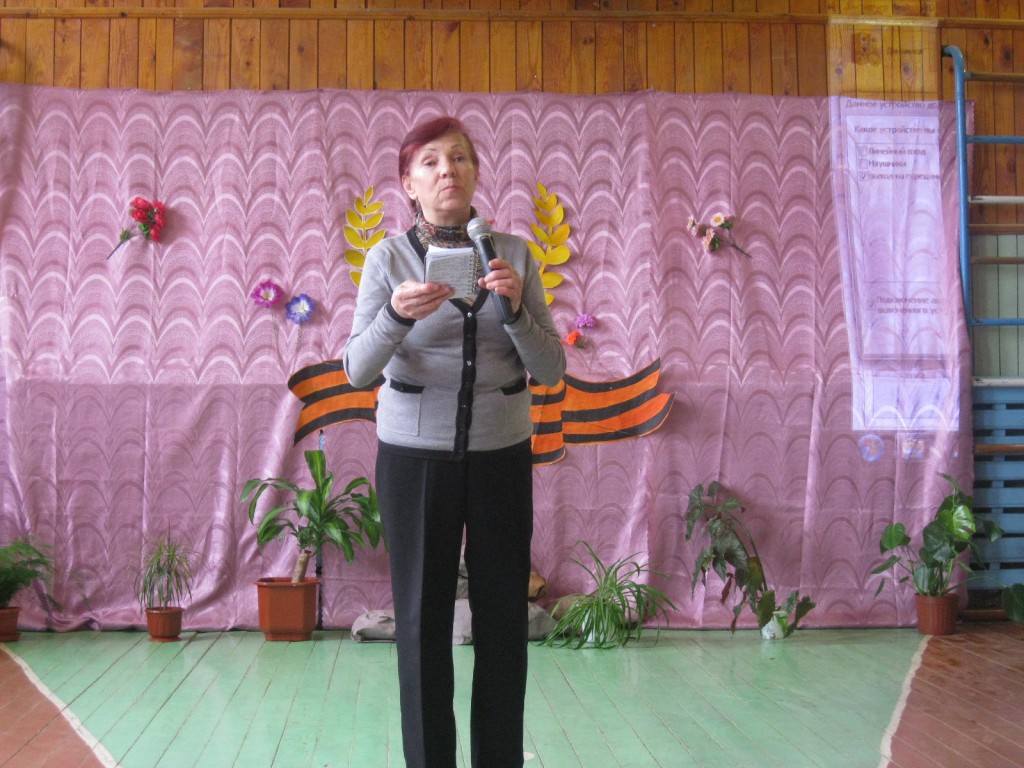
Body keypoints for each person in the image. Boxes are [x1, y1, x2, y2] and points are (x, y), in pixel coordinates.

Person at [343, 116, 566, 768]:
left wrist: (515, 312)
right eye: (432, 161)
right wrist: (396, 316)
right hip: (414, 461)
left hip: (501, 456)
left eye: (461, 158)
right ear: (409, 183)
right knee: (420, 623)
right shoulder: (387, 259)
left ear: (476, 173)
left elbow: (552, 369)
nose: (449, 171)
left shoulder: (513, 254)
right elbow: (356, 369)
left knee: (502, 621)